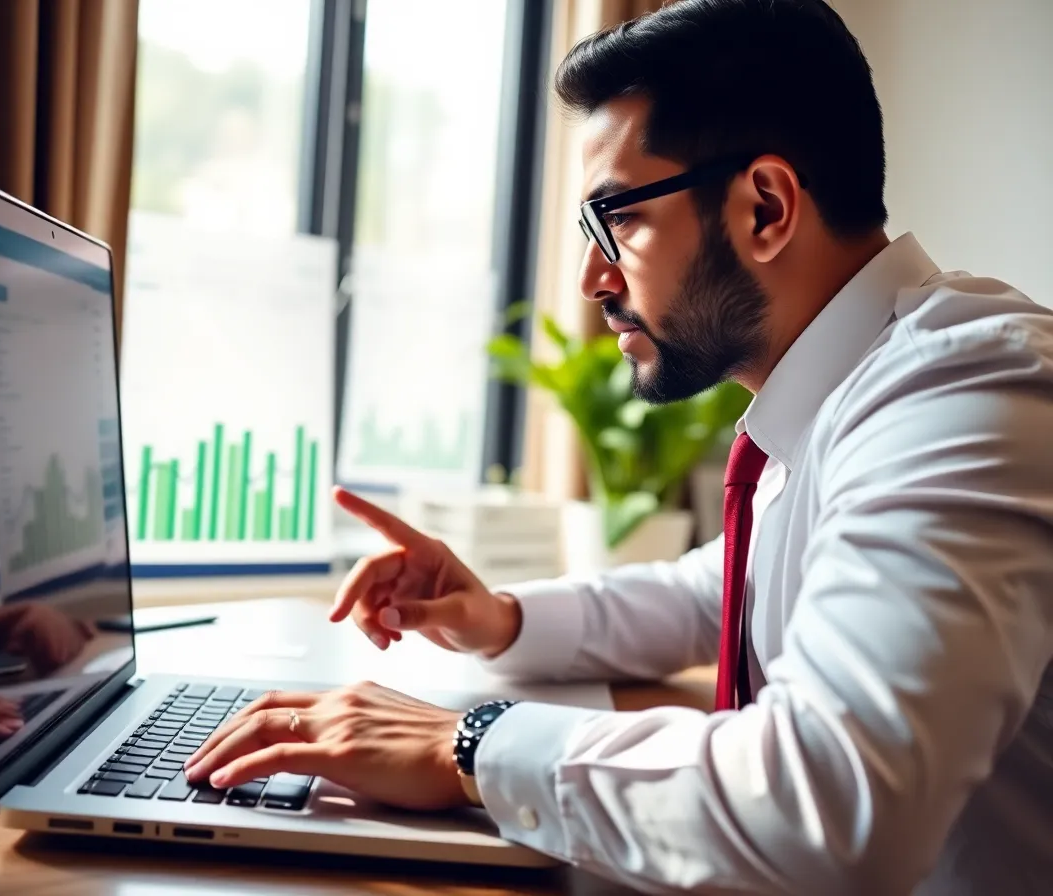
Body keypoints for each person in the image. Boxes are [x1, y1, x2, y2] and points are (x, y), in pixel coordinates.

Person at [184, 1, 1053, 892]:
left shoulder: (965, 391)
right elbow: (714, 592)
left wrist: (468, 743)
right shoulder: (851, 393)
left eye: (618, 221)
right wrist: (498, 621)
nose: (593, 278)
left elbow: (830, 805)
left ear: (765, 208)